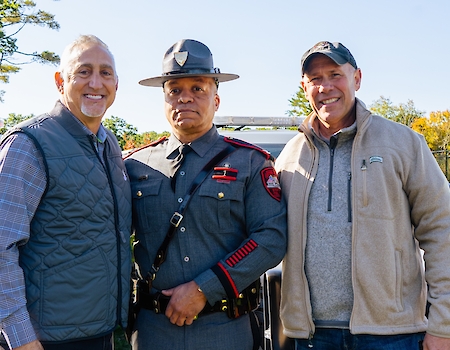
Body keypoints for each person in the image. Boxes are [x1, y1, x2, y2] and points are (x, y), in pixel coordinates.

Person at [275, 40, 450, 350]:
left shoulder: (404, 144)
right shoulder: (288, 157)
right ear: (304, 87)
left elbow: (442, 230)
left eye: (335, 74)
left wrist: (444, 326)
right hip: (310, 337)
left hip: (392, 335)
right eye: (315, 79)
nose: (326, 86)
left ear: (356, 78)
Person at [124, 39, 287, 350]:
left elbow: (271, 237)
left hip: (226, 330)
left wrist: (204, 289)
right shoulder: (133, 165)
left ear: (216, 100)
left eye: (198, 88)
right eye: (174, 90)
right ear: (164, 100)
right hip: (153, 333)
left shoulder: (250, 162)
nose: (185, 98)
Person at [0, 35, 132, 350]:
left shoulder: (109, 145)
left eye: (105, 72)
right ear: (61, 81)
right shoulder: (28, 144)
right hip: (43, 341)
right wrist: (22, 341)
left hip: (99, 334)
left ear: (116, 83)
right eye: (83, 71)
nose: (96, 82)